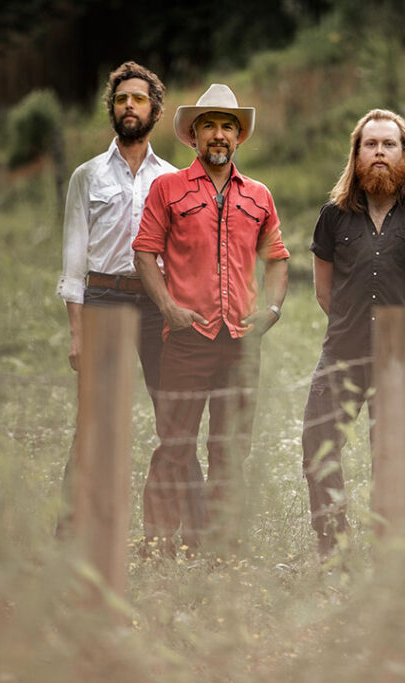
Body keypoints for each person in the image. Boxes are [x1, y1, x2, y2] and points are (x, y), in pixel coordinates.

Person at [132, 83, 290, 557]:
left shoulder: (259, 196)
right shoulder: (168, 188)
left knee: (230, 448)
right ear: (193, 137)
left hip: (241, 342)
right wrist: (169, 309)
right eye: (209, 126)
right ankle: (159, 544)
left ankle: (222, 545)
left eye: (227, 126)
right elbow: (144, 252)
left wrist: (272, 310)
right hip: (186, 338)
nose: (218, 135)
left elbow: (278, 258)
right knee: (174, 444)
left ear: (238, 137)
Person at [301, 109, 405, 558]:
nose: (380, 153)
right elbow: (324, 290)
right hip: (342, 349)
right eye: (371, 145)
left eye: (389, 145)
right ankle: (334, 548)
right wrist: (350, 323)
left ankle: (392, 547)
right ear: (357, 153)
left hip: (401, 354)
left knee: (391, 453)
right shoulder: (334, 216)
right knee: (317, 442)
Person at [54, 61, 176, 536]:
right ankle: (70, 532)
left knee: (173, 411)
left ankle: (173, 530)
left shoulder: (171, 178)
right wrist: (77, 333)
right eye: (122, 99)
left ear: (155, 111)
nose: (130, 106)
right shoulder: (86, 177)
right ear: (113, 109)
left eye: (139, 99)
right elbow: (72, 260)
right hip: (103, 297)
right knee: (95, 420)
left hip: (154, 302)